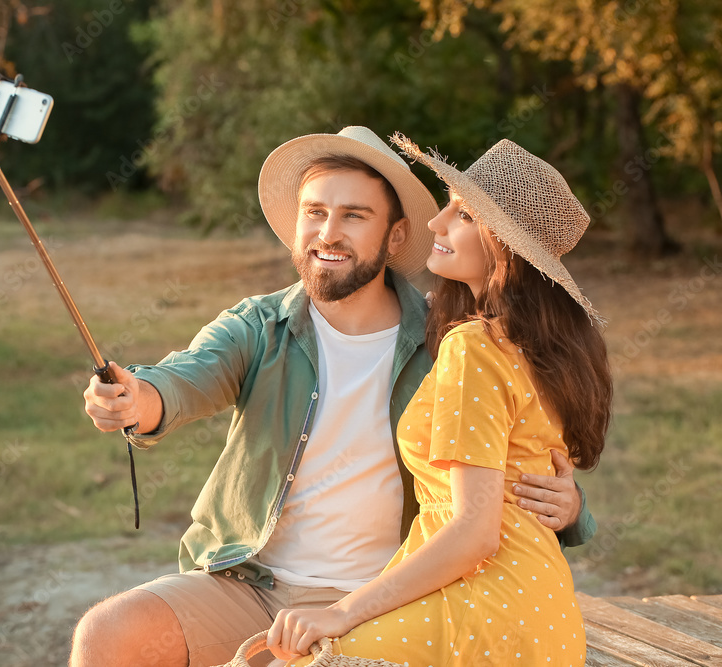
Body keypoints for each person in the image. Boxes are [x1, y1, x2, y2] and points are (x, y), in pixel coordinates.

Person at [71, 127, 596, 667]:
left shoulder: (449, 339)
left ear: (395, 237)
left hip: (384, 594)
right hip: (251, 584)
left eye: (354, 216)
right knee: (107, 635)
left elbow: (515, 456)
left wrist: (574, 507)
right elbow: (187, 377)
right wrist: (138, 398)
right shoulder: (260, 325)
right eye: (315, 212)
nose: (328, 232)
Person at [265, 134, 612, 666]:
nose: (436, 223)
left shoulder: (474, 346)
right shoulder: (542, 351)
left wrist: (344, 611)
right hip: (544, 614)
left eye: (464, 215)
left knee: (305, 655)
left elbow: (475, 534)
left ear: (505, 249)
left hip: (482, 605)